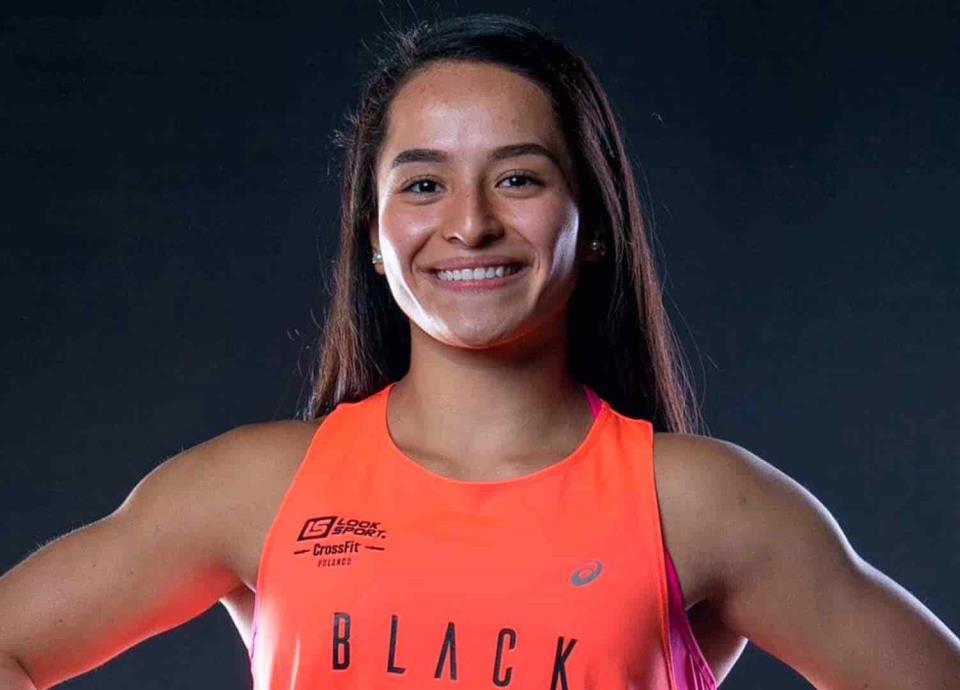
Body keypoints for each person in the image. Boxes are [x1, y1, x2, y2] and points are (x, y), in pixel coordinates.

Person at [1, 13, 958, 690]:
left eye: (518, 178)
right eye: (423, 185)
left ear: (594, 223)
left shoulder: (700, 502)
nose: (469, 224)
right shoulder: (257, 489)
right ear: (374, 237)